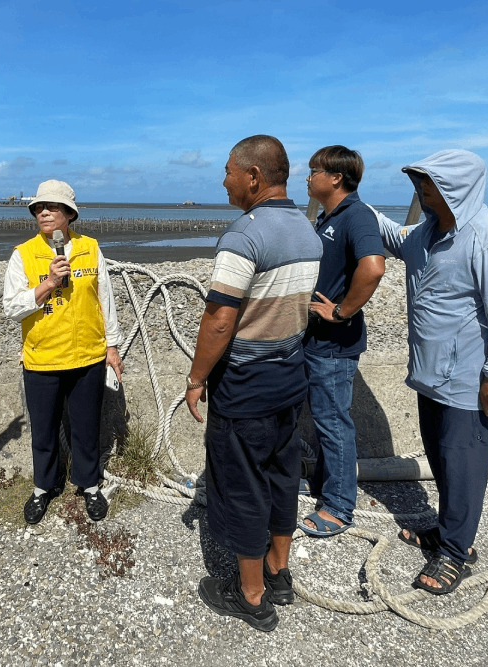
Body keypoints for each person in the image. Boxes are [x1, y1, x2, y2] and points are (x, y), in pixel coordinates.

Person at [375, 149, 488, 594]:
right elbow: (390, 235)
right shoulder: (424, 233)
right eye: (421, 182)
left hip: (468, 381)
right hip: (429, 376)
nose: (423, 191)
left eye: (431, 184)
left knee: (463, 466)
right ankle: (446, 531)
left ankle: (455, 552)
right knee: (442, 459)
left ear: (457, 188)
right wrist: (350, 201)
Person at [186, 136, 322, 632]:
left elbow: (220, 319)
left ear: (253, 177)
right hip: (290, 378)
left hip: (245, 386)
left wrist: (197, 377)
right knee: (283, 477)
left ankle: (250, 595)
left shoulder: (244, 236)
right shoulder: (307, 232)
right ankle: (278, 572)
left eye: (227, 171)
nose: (223, 180)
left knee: (241, 484)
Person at [2, 179, 124, 525]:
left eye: (51, 207)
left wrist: (111, 346)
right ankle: (43, 487)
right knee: (43, 430)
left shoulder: (90, 248)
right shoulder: (22, 254)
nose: (43, 212)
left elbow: (105, 298)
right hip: (43, 358)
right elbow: (11, 308)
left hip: (88, 355)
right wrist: (47, 285)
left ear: (69, 214)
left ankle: (89, 485)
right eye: (39, 208)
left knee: (86, 427)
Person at [299, 146, 386, 537]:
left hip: (335, 344)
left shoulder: (356, 216)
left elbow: (373, 267)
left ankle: (338, 506)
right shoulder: (327, 217)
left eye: (314, 170)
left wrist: (340, 312)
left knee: (334, 422)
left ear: (335, 178)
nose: (307, 176)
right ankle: (322, 486)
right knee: (322, 417)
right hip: (316, 341)